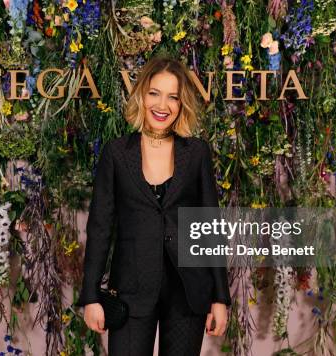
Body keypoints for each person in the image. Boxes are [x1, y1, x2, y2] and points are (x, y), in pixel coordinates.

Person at [77, 55, 231, 356]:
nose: (163, 106)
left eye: (173, 97)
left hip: (188, 293)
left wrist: (220, 298)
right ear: (142, 95)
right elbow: (99, 228)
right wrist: (91, 296)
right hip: (132, 291)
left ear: (182, 103)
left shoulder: (196, 153)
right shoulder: (117, 153)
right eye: (155, 94)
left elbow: (211, 229)